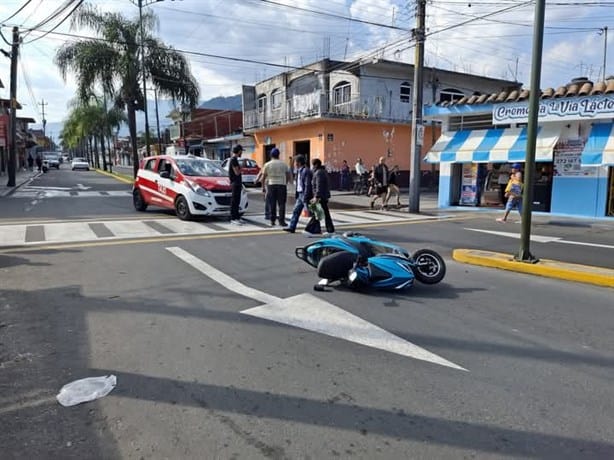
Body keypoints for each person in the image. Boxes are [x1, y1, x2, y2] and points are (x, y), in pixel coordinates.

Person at [260, 147, 292, 226]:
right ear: (279, 155)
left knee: (272, 203)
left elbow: (263, 177)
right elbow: (288, 175)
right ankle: (281, 221)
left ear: (271, 155)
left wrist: (263, 187)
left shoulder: (267, 164)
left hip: (271, 185)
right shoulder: (284, 164)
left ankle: (272, 220)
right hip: (282, 185)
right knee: (281, 204)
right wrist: (286, 182)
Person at [305, 158, 335, 237]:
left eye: (313, 165)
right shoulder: (322, 172)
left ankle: (309, 229)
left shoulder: (318, 173)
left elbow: (319, 185)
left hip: (321, 196)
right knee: (324, 213)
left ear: (315, 165)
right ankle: (330, 230)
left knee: (317, 214)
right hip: (323, 195)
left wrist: (316, 196)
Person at [283, 155, 313, 233]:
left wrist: (306, 196)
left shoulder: (305, 171)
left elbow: (307, 184)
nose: (294, 164)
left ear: (299, 163)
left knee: (312, 212)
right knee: (296, 211)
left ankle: (315, 227)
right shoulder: (299, 171)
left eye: (295, 162)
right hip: (300, 194)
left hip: (305, 194)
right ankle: (292, 227)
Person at [228, 144, 244, 225]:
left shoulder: (235, 159)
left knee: (237, 201)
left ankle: (237, 217)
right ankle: (233, 218)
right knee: (234, 201)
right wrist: (241, 168)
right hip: (235, 183)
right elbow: (237, 172)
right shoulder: (233, 160)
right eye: (241, 151)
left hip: (237, 183)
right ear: (239, 151)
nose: (242, 153)